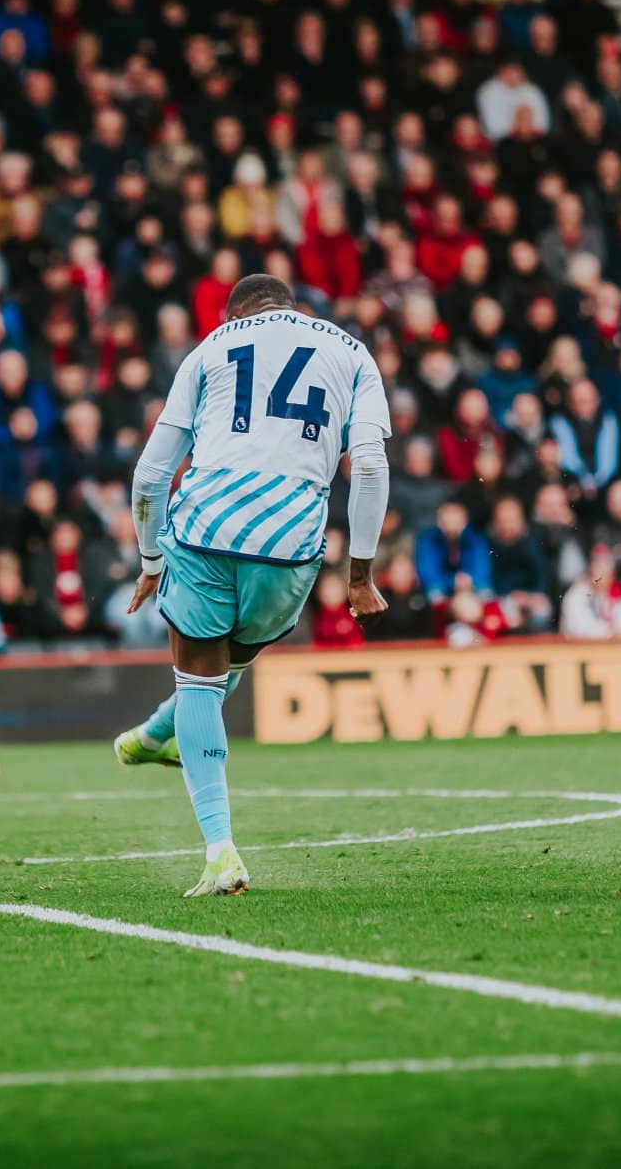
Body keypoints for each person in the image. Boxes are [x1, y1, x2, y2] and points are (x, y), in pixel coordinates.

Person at [117, 275, 391, 897]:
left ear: (236, 312)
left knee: (200, 679)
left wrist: (151, 557)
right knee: (229, 665)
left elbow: (152, 471)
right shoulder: (350, 351)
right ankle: (158, 735)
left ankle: (219, 850)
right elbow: (370, 464)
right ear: (294, 308)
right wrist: (361, 575)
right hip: (290, 541)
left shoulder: (211, 346)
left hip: (207, 524)